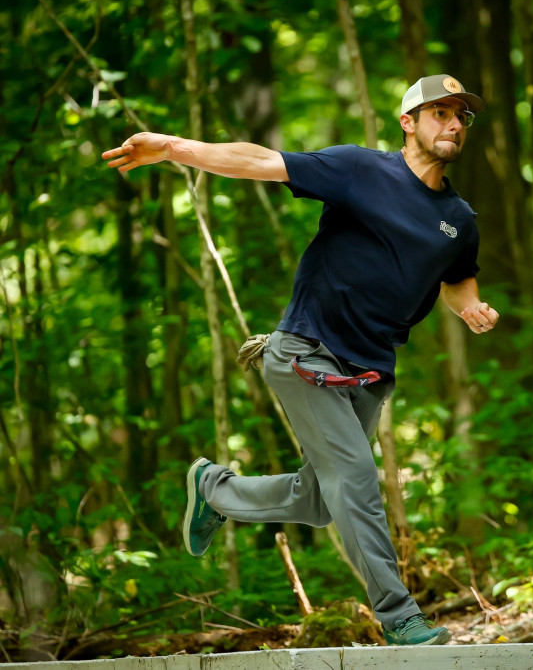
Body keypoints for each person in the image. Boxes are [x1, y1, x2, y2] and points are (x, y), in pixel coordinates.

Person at [102, 74, 499, 646]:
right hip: (306, 352)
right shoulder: (362, 170)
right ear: (408, 122)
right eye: (440, 112)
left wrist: (470, 309)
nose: (455, 123)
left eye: (462, 115)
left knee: (319, 498)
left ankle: (214, 489)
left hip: (370, 373)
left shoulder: (458, 218)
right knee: (357, 479)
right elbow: (260, 160)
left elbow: (456, 280)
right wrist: (173, 148)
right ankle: (400, 616)